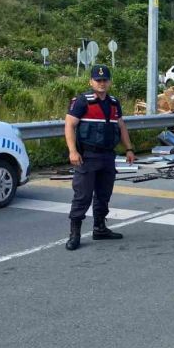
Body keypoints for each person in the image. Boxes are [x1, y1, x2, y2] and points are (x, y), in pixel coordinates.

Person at [64, 65, 135, 250]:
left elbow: (121, 126)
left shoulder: (113, 103)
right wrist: (72, 151)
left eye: (105, 80)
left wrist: (129, 149)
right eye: (98, 80)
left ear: (109, 82)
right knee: (82, 196)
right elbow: (69, 125)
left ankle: (100, 228)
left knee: (103, 195)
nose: (101, 83)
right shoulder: (82, 101)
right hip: (87, 156)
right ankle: (74, 234)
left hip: (107, 156)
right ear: (91, 81)